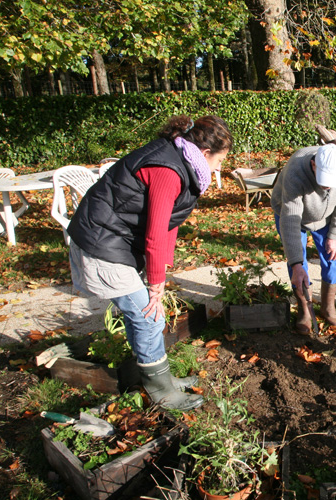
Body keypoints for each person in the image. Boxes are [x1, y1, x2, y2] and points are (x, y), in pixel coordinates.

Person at [68, 115, 232, 411]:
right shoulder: (168, 169)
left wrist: (162, 267)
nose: (220, 167)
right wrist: (156, 285)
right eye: (219, 160)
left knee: (143, 315)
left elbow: (169, 221)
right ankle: (161, 391)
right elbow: (156, 231)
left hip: (113, 238)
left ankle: (157, 377)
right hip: (100, 243)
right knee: (149, 316)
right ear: (205, 154)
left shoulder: (179, 160)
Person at [271, 137, 336, 334]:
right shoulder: (296, 170)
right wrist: (296, 263)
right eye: (324, 182)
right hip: (290, 213)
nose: (327, 188)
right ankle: (304, 310)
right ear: (313, 165)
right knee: (297, 261)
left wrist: (334, 235)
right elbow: (291, 219)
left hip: (326, 217)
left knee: (332, 256)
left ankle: (328, 307)